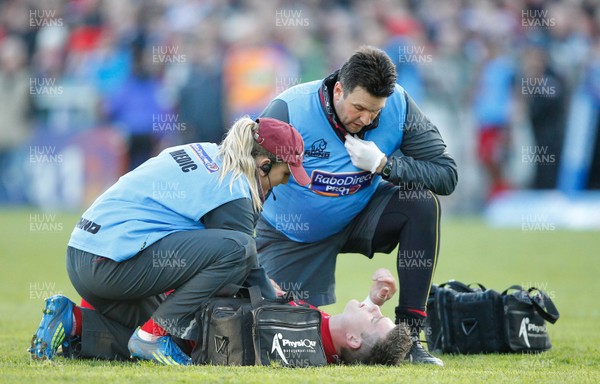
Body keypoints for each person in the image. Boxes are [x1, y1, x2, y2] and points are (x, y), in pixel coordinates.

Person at [29, 116, 310, 365]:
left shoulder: (206, 152)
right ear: (263, 165)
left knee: (161, 335)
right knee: (239, 249)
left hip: (83, 258)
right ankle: (154, 335)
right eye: (284, 174)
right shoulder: (234, 190)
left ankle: (73, 321)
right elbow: (245, 266)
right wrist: (284, 308)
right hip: (109, 265)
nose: (283, 183)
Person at [255, 46, 458, 366]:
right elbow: (250, 177)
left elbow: (446, 175)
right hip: (289, 234)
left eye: (375, 112)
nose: (366, 119)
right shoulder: (290, 110)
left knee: (421, 204)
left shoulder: (400, 106)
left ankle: (409, 337)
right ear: (338, 90)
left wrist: (385, 165)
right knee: (270, 330)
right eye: (359, 108)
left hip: (359, 216)